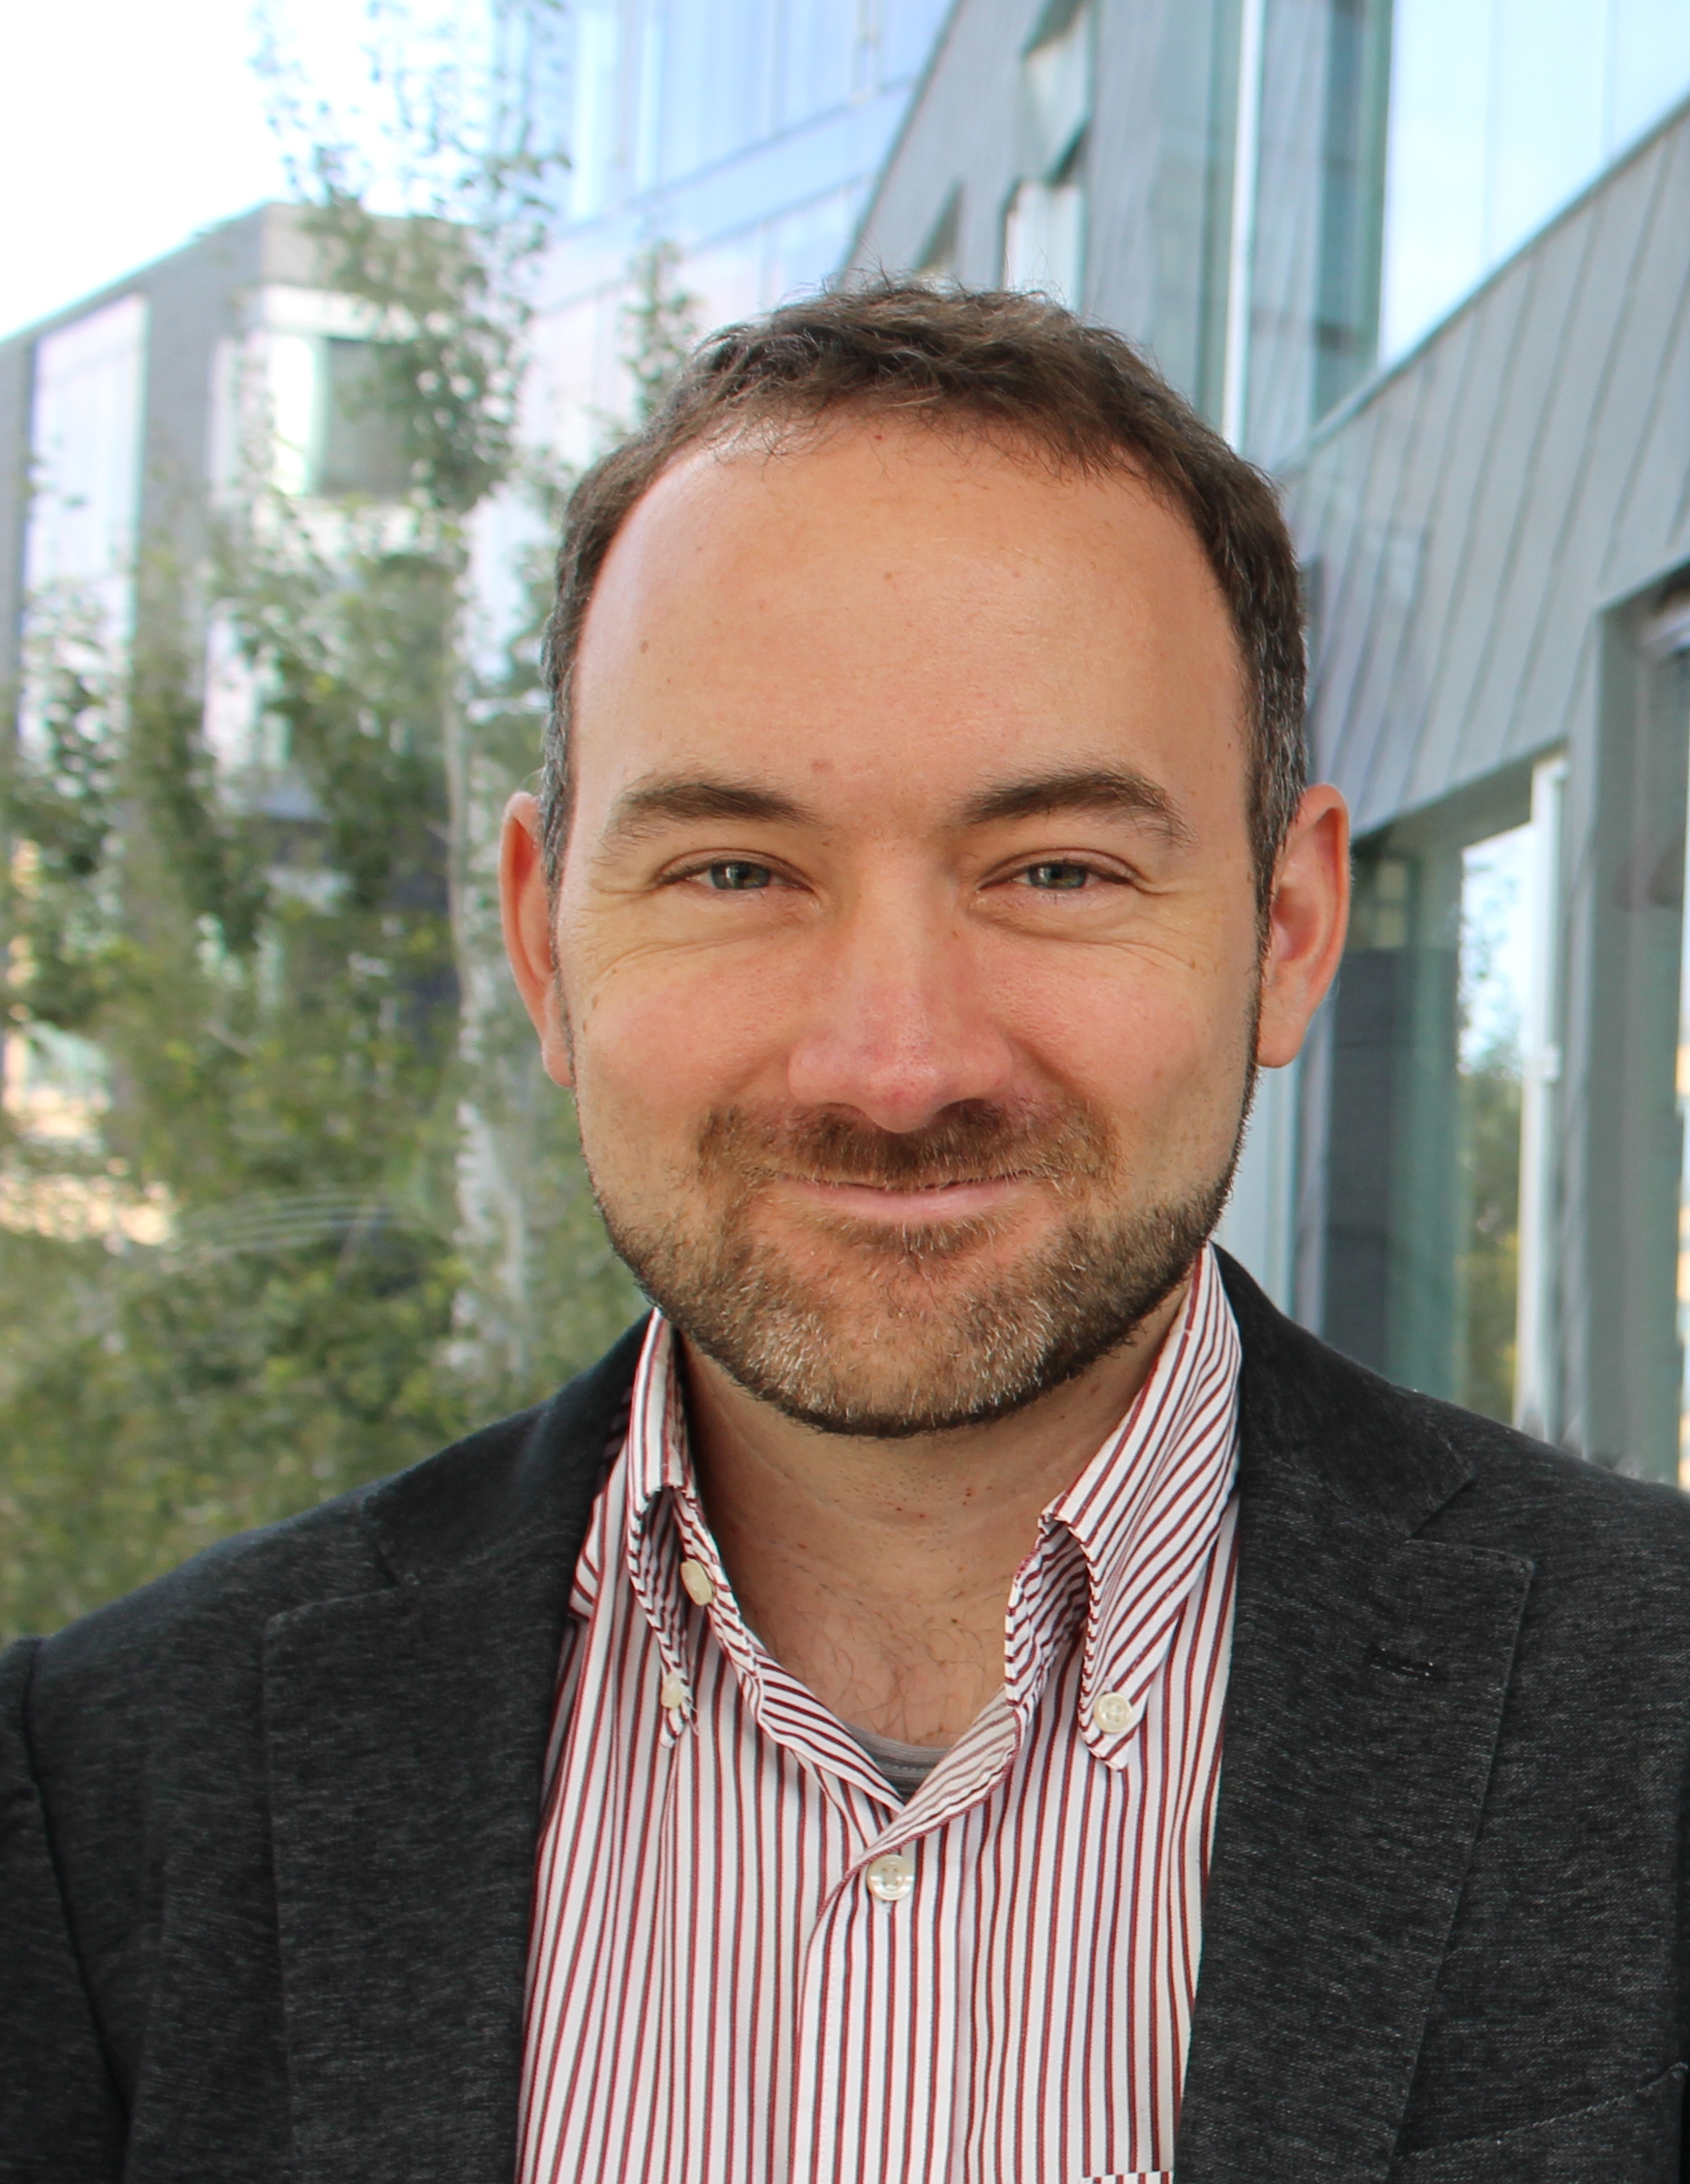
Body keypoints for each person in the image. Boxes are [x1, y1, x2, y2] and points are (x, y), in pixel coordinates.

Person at [4, 283, 1689, 2184]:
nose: (895, 1065)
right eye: (734, 869)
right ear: (542, 936)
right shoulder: (100, 1794)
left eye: (1053, 868)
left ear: (1286, 928)